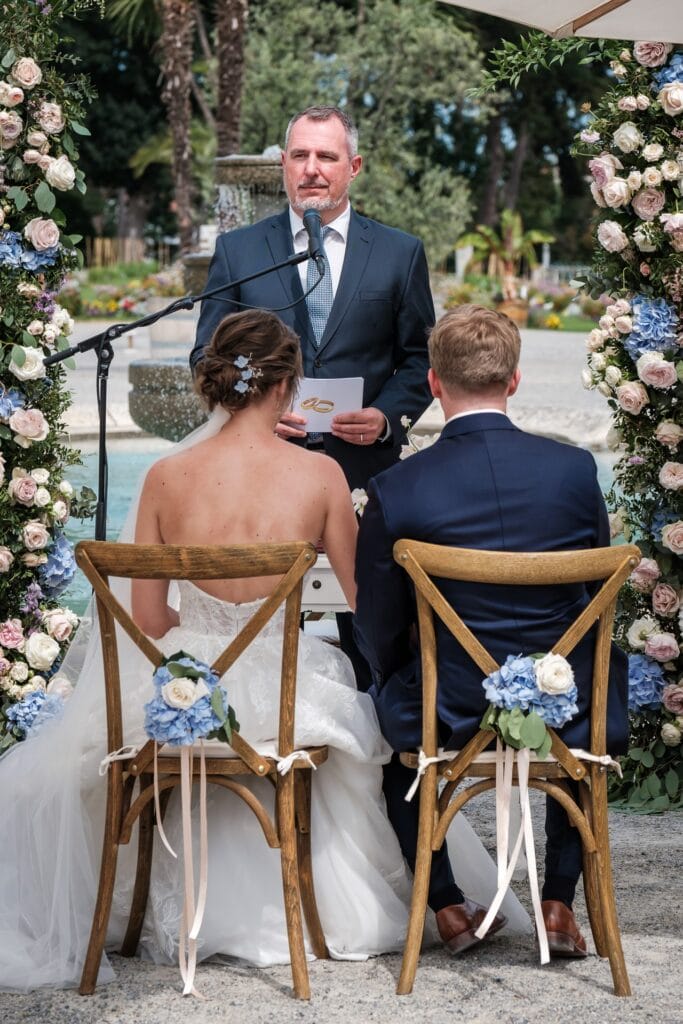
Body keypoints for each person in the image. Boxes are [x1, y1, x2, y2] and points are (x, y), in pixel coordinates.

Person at [0, 309, 529, 993]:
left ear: (219, 383)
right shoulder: (319, 478)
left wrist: (204, 653)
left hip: (180, 684)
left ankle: (152, 904)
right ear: (288, 386)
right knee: (357, 720)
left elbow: (151, 618)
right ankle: (362, 900)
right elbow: (364, 607)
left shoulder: (165, 476)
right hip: (282, 688)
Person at [354, 304, 629, 959]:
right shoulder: (571, 473)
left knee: (379, 705)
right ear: (513, 381)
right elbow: (588, 596)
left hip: (447, 710)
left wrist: (399, 673)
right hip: (564, 707)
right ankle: (557, 902)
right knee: (591, 677)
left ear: (431, 384)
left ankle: (447, 907)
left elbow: (377, 622)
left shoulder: (397, 486)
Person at [190, 105, 435, 688]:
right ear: (282, 165)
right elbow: (204, 356)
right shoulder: (240, 251)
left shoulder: (400, 253)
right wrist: (253, 415)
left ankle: (371, 750)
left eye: (326, 156)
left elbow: (420, 358)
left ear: (354, 166)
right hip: (256, 482)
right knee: (256, 645)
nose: (312, 169)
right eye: (300, 155)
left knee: (371, 643)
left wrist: (384, 418)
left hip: (363, 480)